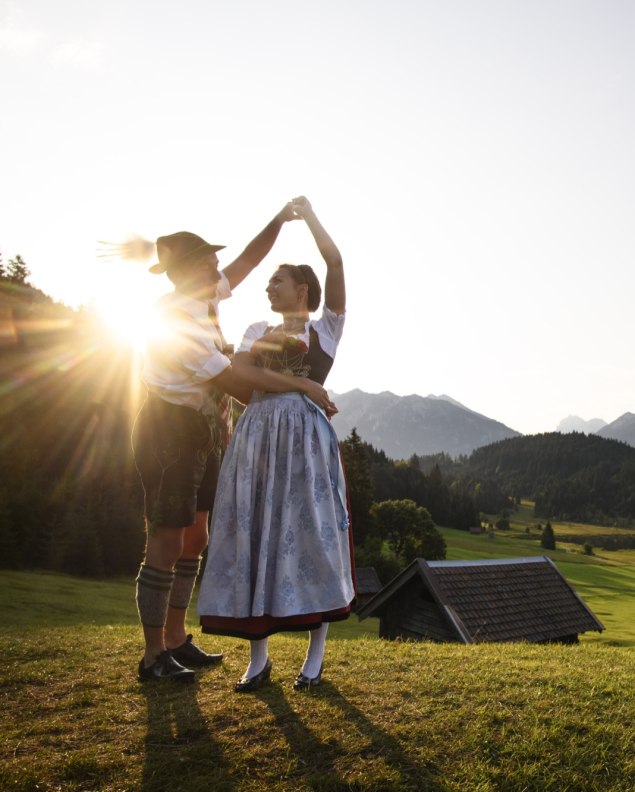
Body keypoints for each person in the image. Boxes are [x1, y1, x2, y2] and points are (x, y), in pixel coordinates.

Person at [133, 204, 333, 682]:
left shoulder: (204, 298)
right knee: (166, 538)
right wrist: (304, 387)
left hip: (200, 431)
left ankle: (179, 639)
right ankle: (153, 654)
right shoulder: (179, 321)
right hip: (169, 431)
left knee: (196, 535)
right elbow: (241, 387)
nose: (219, 267)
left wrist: (281, 220)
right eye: (207, 261)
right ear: (188, 271)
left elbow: (246, 259)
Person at [197, 196, 355, 692]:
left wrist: (307, 217)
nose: (267, 285)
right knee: (255, 530)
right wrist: (305, 386)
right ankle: (259, 657)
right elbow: (240, 373)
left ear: (301, 289)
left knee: (311, 533)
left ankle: (315, 654)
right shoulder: (256, 330)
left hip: (305, 439)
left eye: (277, 280)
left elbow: (335, 261)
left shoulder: (325, 328)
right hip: (258, 434)